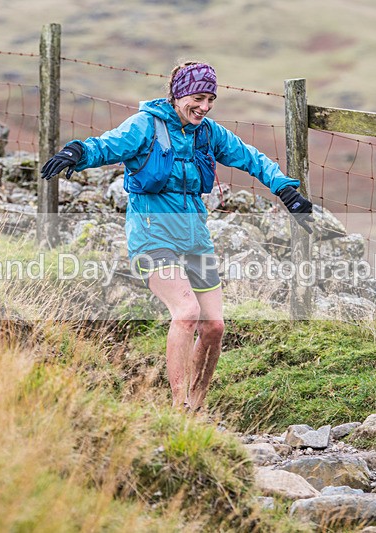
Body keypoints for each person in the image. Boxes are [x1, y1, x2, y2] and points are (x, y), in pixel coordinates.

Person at [40, 61, 315, 412]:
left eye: (211, 99)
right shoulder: (146, 125)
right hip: (153, 237)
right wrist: (76, 152)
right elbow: (107, 146)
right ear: (179, 95)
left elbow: (252, 158)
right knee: (186, 312)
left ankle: (196, 408)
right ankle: (177, 408)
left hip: (195, 239)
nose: (205, 107)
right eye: (198, 98)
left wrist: (285, 190)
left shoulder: (208, 133)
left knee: (214, 326)